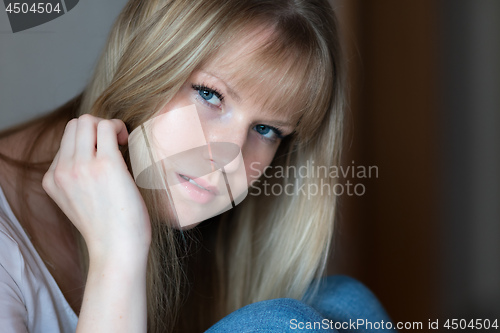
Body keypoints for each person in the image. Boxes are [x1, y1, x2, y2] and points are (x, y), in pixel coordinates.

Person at [0, 0, 395, 332]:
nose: (230, 158)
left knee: (345, 303)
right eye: (210, 94)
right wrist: (118, 255)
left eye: (266, 129)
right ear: (146, 58)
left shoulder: (206, 234)